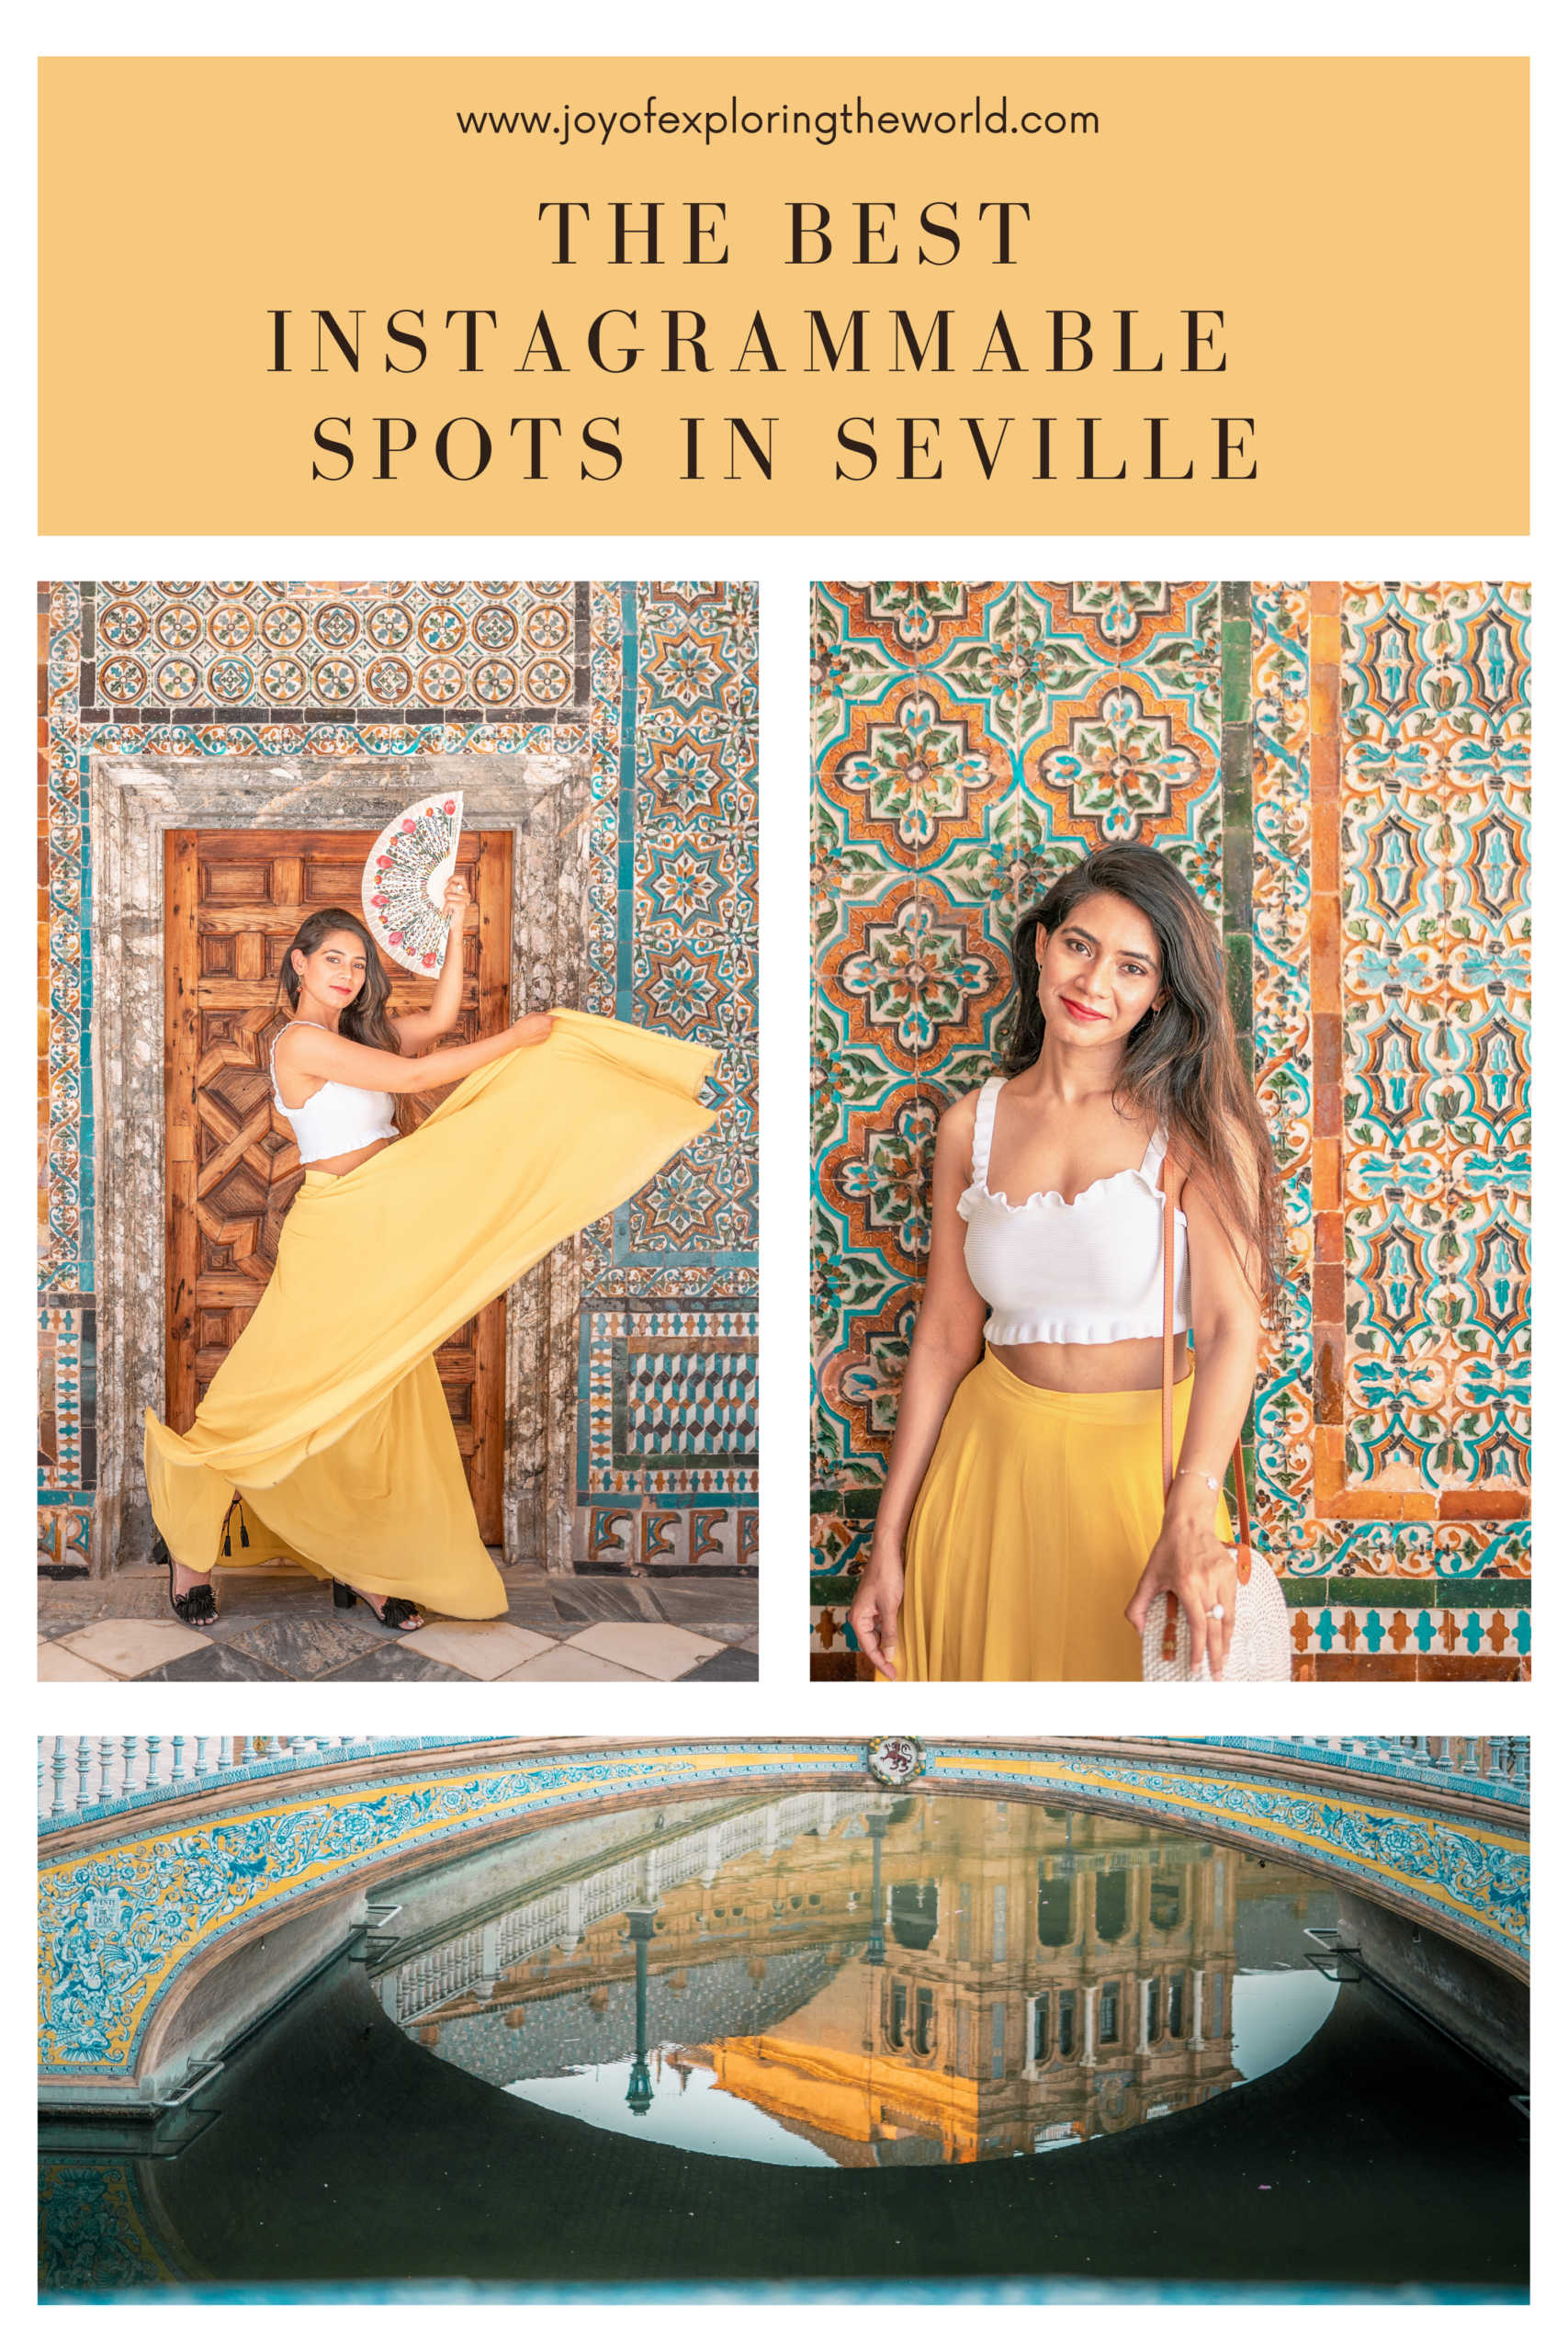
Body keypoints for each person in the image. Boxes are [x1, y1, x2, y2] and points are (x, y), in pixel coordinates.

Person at [147, 878, 714, 1630]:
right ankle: (192, 1558)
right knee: (263, 1393)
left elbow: (441, 1021)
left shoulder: (364, 1035)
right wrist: (513, 1040)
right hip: (336, 1232)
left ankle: (370, 1571)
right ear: (298, 964)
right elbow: (415, 1079)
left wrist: (456, 920)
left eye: (357, 963)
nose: (347, 974)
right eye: (333, 960)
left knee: (378, 1404)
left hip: (393, 1225)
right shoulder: (300, 1042)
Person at [848, 845, 1281, 1684]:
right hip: (982, 1474)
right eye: (1079, 947)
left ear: (1160, 993)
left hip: (1143, 1487)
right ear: (1042, 945)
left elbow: (1234, 1329)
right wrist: (887, 1539)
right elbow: (941, 1341)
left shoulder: (1197, 1130)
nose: (1093, 985)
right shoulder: (967, 1127)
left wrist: (1191, 1501)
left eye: (1131, 967)